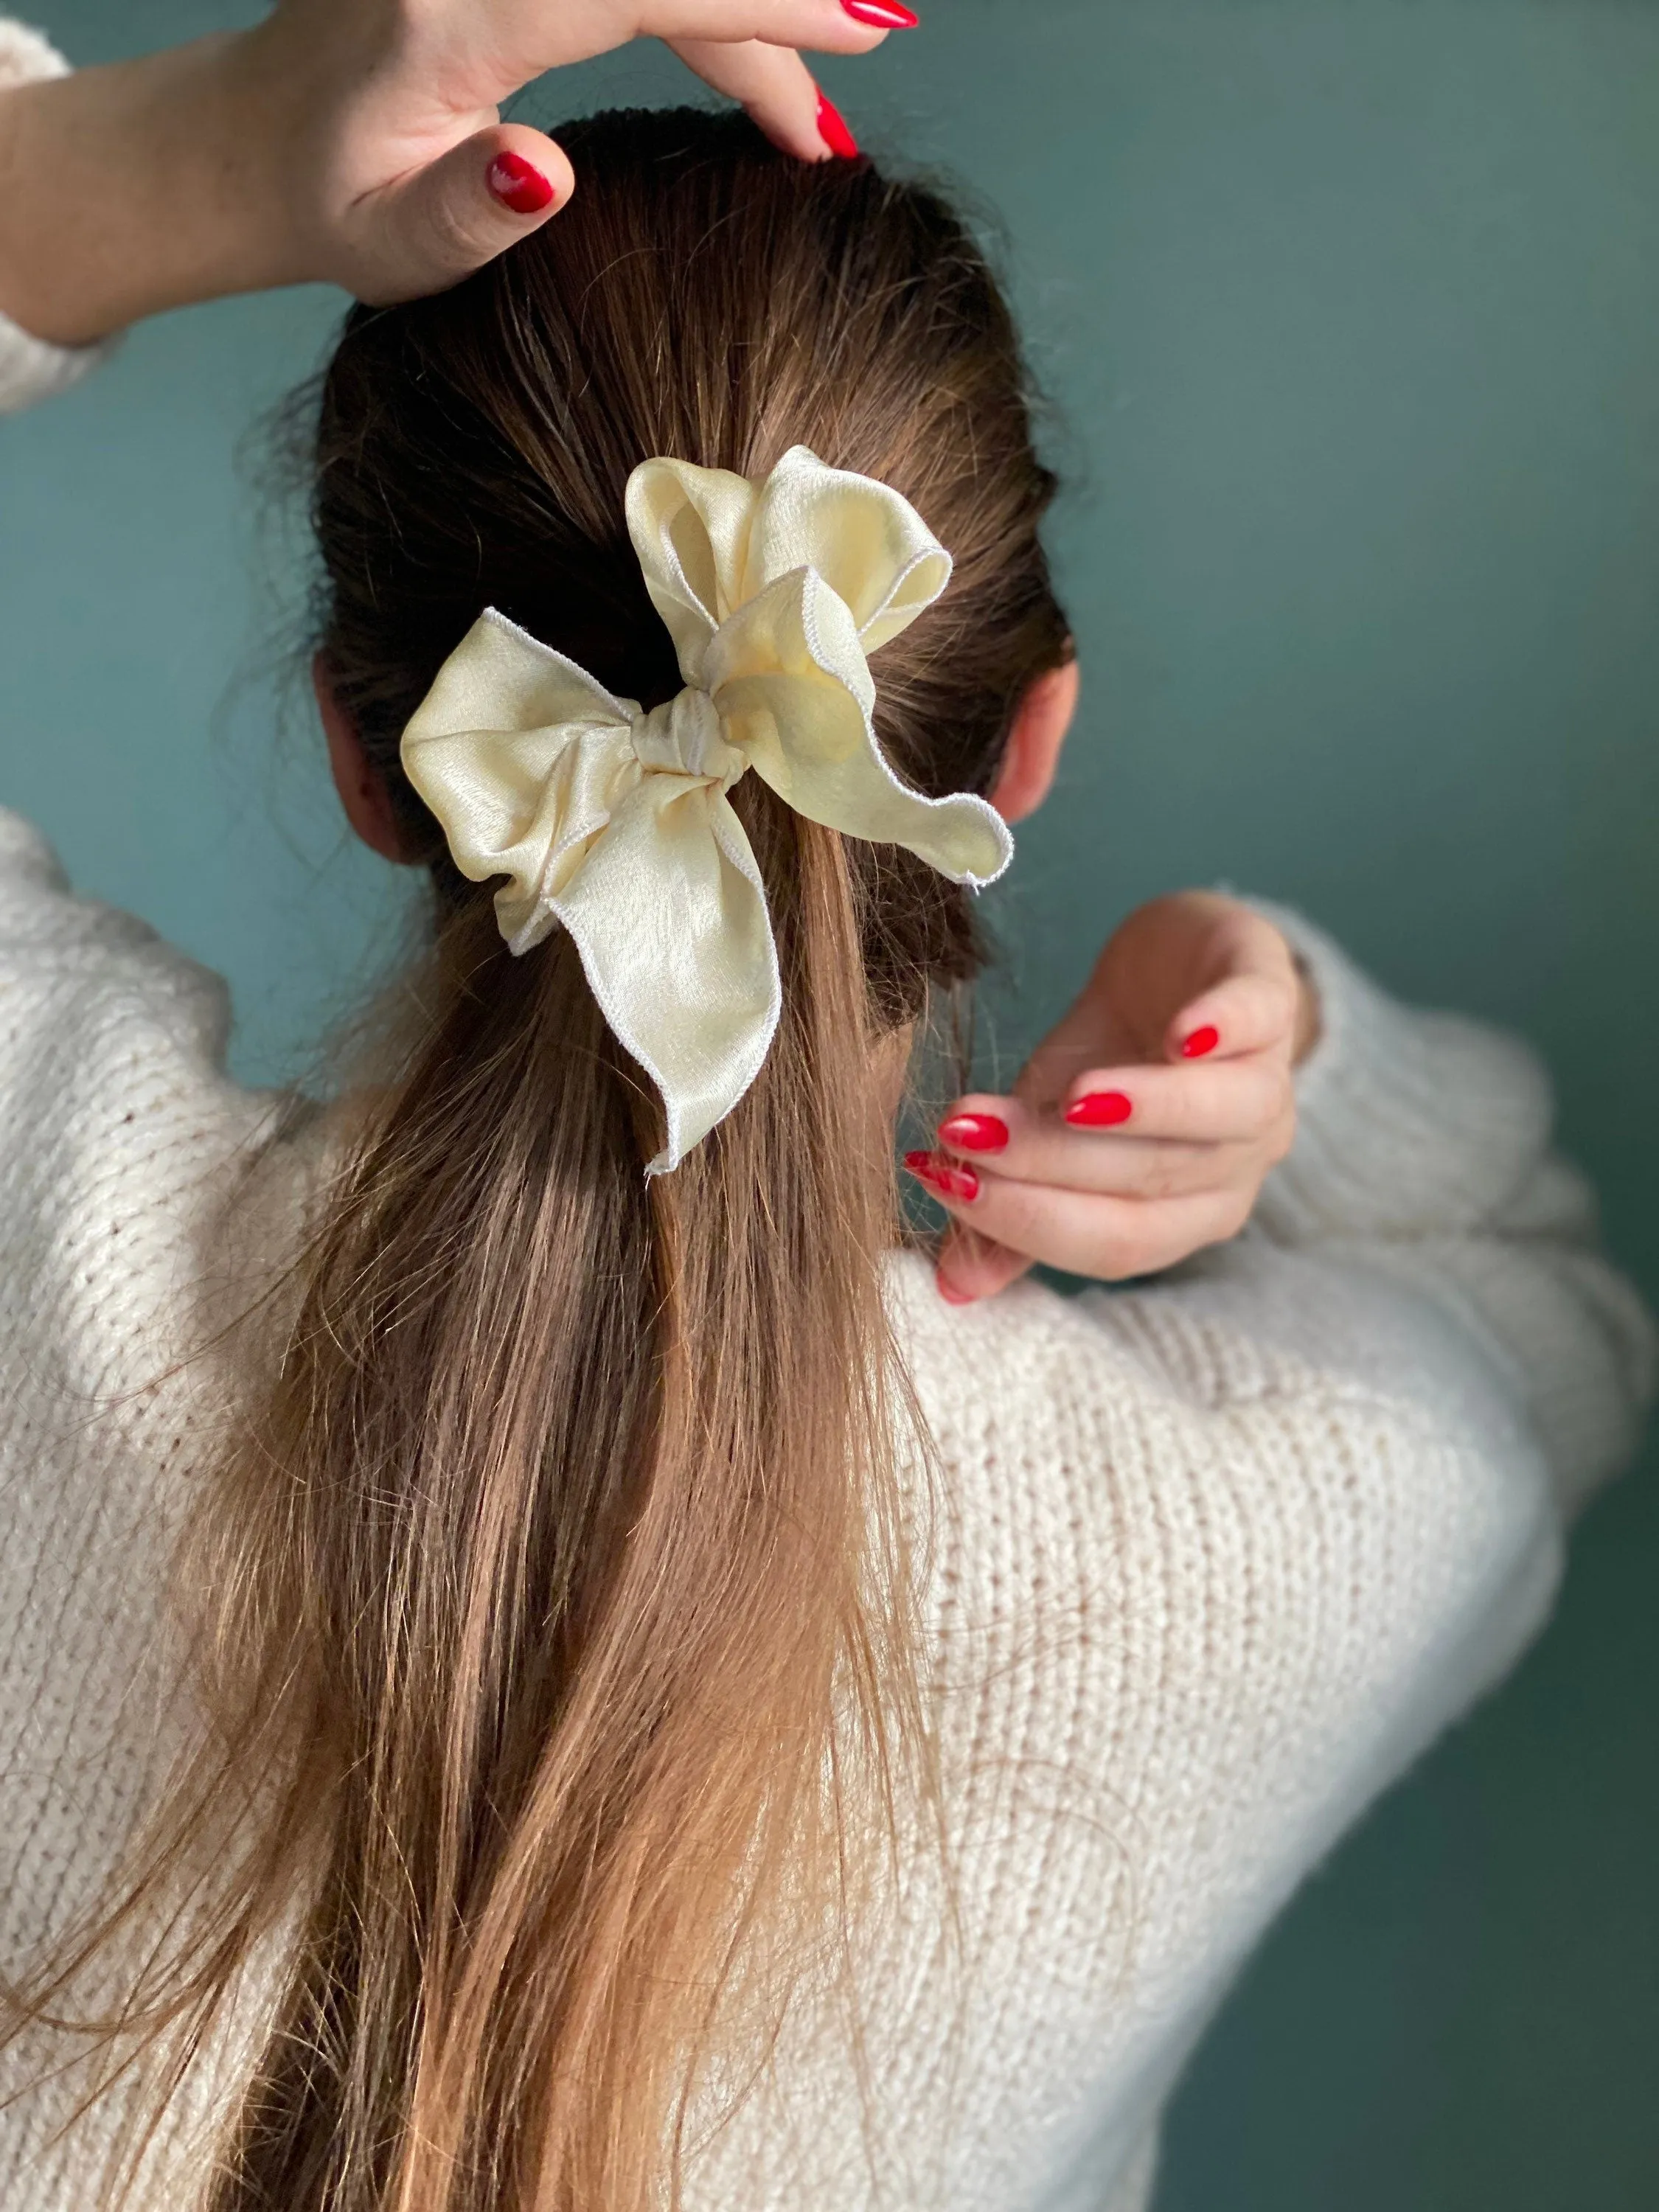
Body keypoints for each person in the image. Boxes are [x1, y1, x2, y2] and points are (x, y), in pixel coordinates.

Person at [0, 10, 1649, 2212]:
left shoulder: (38, 1195)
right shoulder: (1277, 1544)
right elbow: (1542, 1293)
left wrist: (179, 154)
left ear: (368, 757)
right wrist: (1293, 1053)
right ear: (1023, 739)